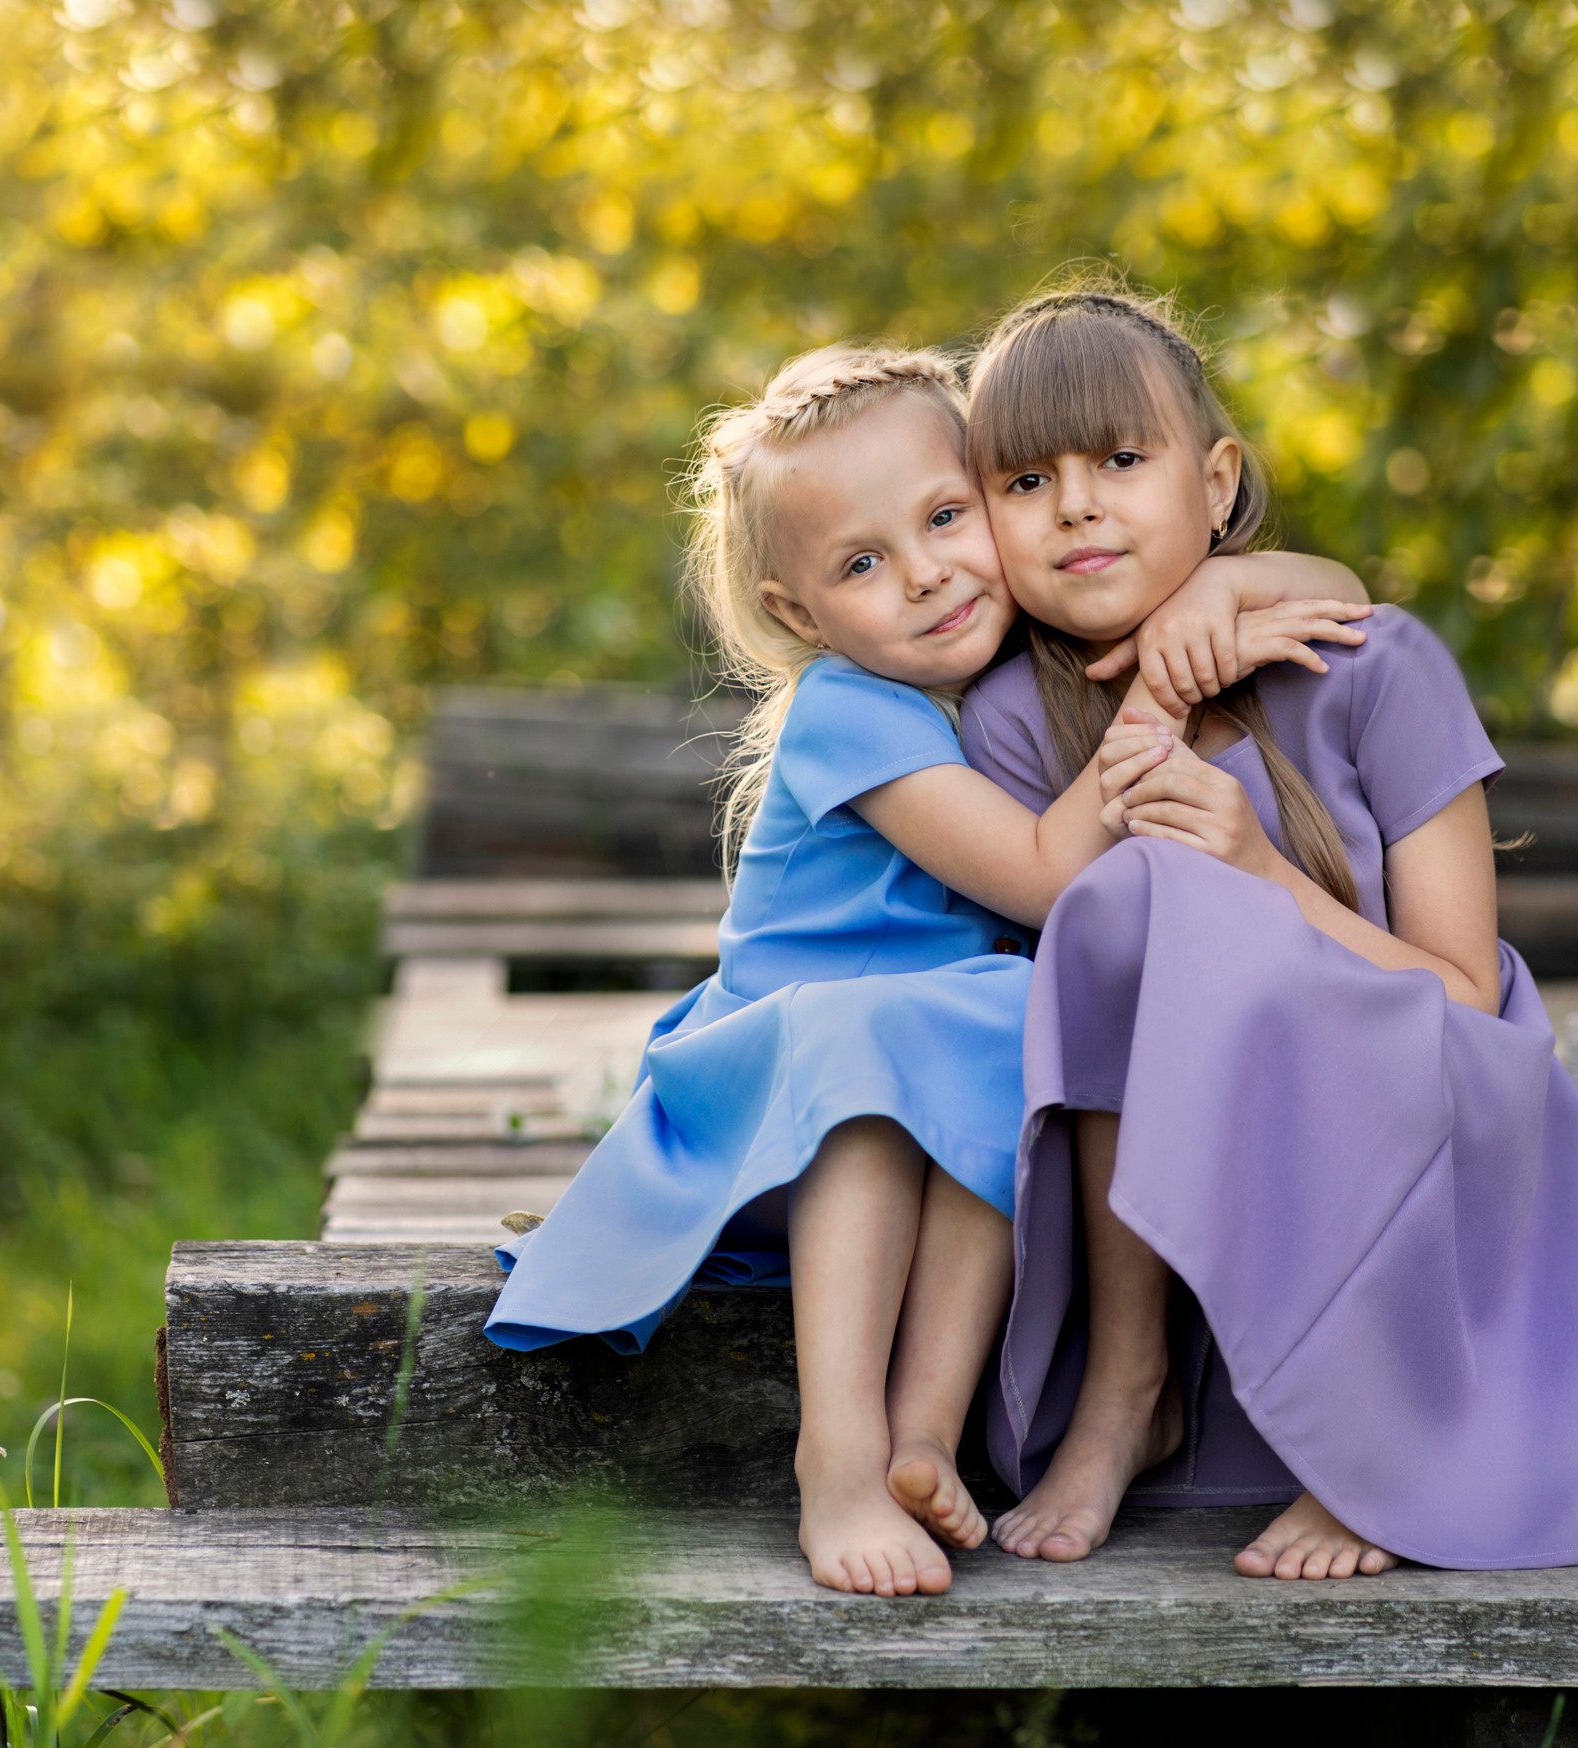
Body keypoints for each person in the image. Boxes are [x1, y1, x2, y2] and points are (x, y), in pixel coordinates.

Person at [485, 342, 1363, 1598]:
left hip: (928, 1075)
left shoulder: (1004, 679)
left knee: (1013, 1020)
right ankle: (835, 1458)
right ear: (799, 615)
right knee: (894, 1038)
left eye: (947, 517)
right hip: (768, 1103)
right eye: (860, 563)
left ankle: (921, 1436)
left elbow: (1332, 583)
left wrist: (1210, 595)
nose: (926, 575)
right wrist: (1161, 689)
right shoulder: (850, 708)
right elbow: (1049, 875)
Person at [958, 283, 1578, 1578]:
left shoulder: (1375, 666)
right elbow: (1066, 982)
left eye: (1122, 462)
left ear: (1217, 483)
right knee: (1122, 907)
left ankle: (1374, 1440)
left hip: (1426, 1101)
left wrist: (1261, 868)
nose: (1077, 503)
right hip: (1182, 1142)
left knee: (1183, 899)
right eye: (1026, 480)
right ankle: (1129, 1385)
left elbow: (1464, 1000)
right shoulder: (1014, 725)